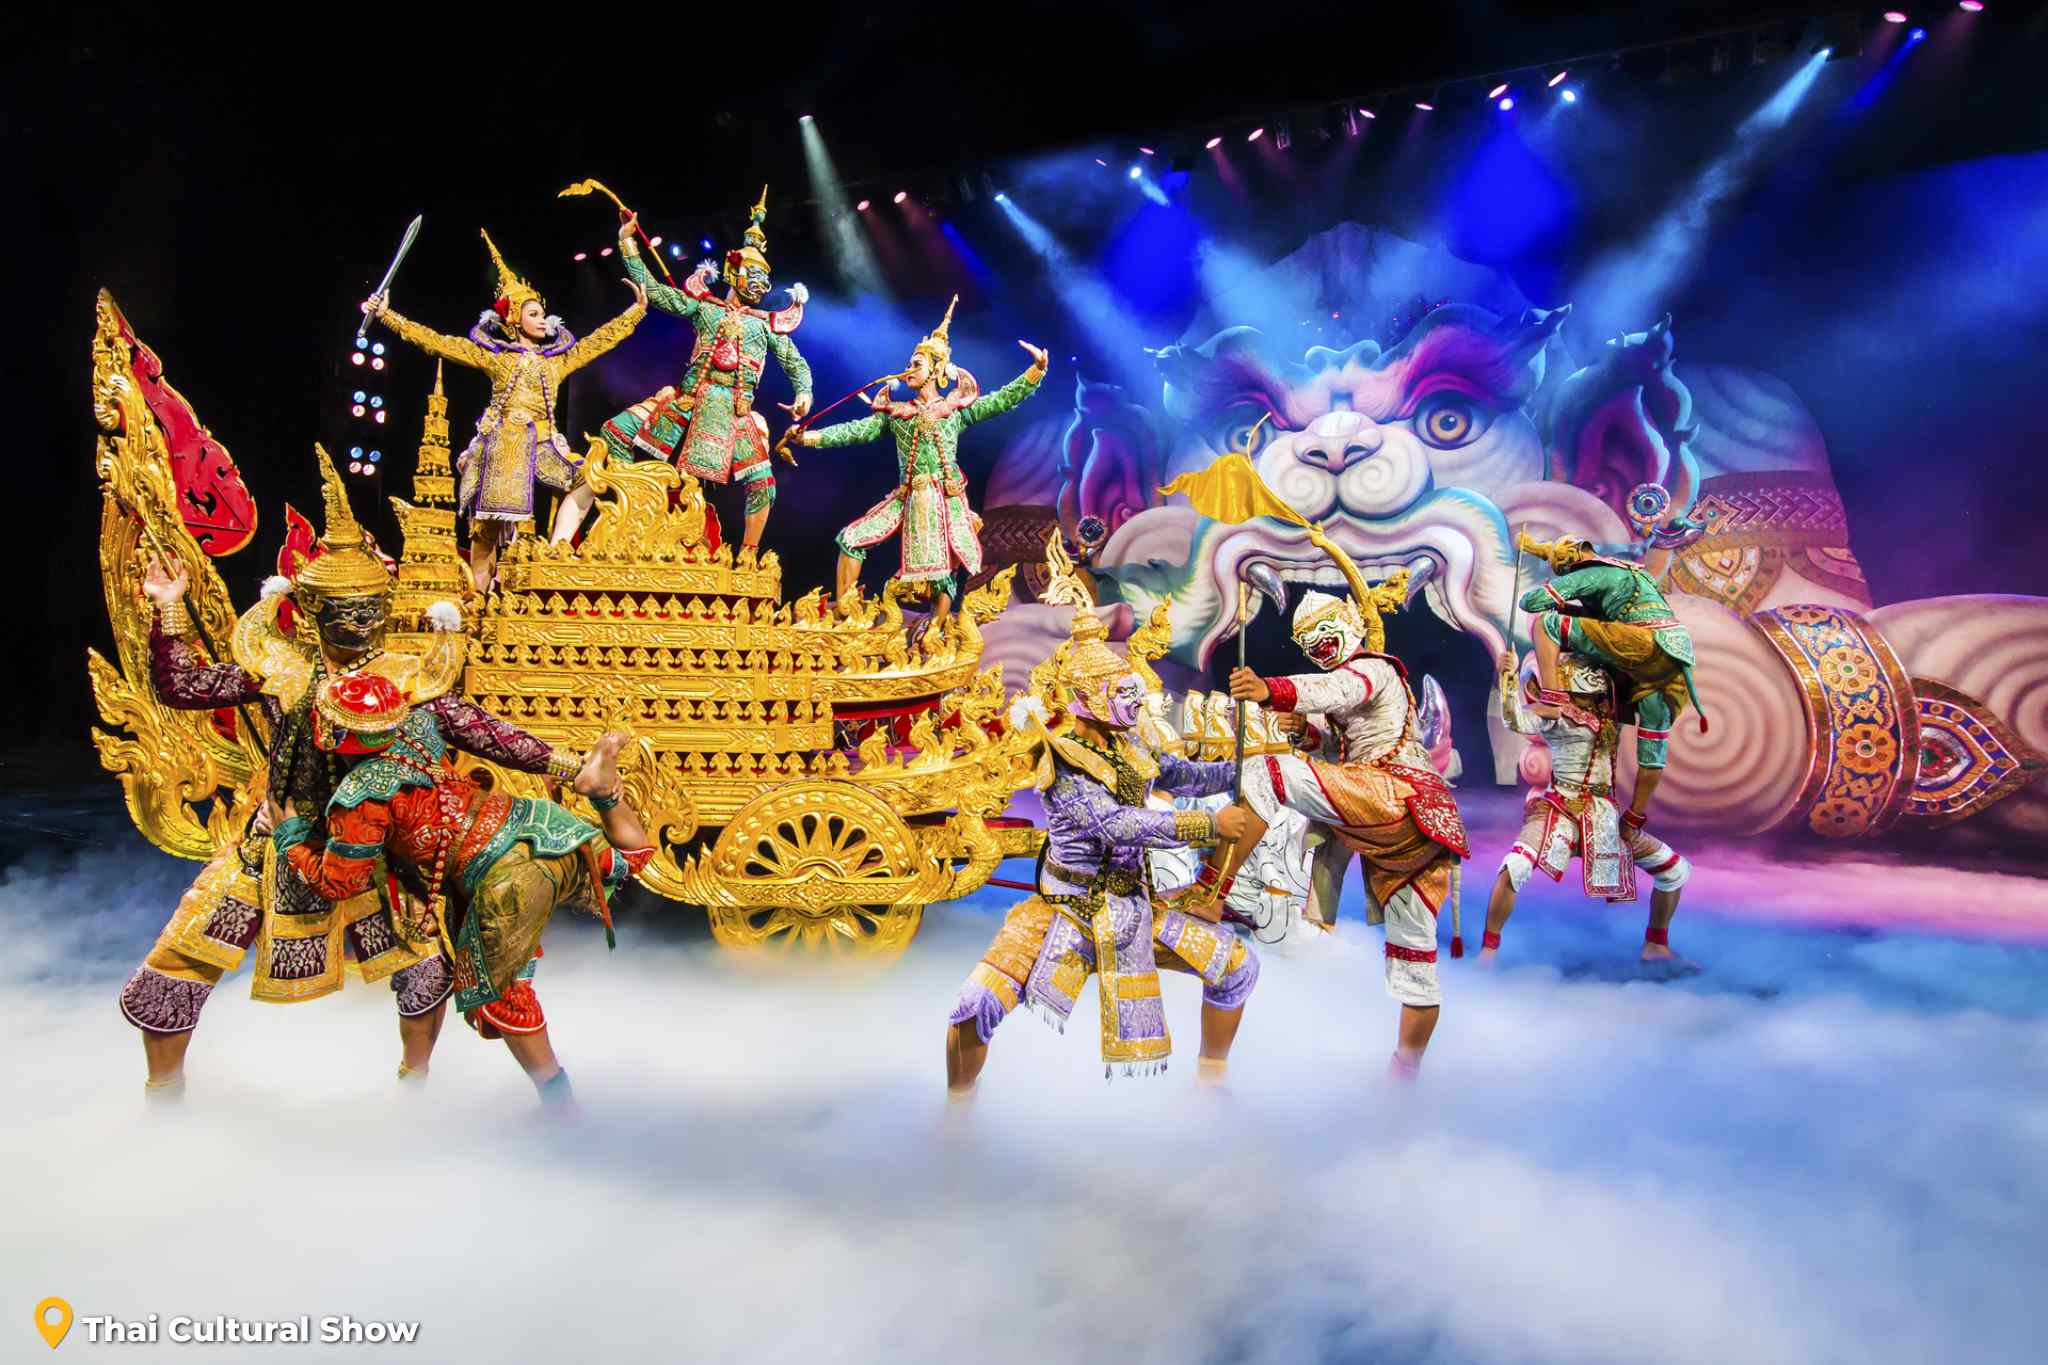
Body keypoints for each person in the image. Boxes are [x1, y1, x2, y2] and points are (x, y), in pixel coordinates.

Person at [120, 448, 595, 1102]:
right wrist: (170, 608)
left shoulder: (404, 675)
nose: (359, 624)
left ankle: (427, 1091)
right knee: (175, 965)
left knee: (436, 972)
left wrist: (570, 765)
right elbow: (184, 686)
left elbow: (480, 729)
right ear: (309, 609)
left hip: (383, 852)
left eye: (369, 609)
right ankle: (163, 1099)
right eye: (344, 611)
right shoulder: (281, 669)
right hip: (277, 841)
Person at [945, 556, 1258, 1094]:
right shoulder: (1064, 761)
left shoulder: (1129, 743)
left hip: (1133, 908)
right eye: (1121, 690)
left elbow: (1179, 773)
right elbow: (1116, 824)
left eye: (1129, 686)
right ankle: (956, 1108)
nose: (1134, 697)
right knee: (974, 1007)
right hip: (1065, 911)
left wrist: (1246, 767)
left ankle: (1212, 1084)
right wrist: (1209, 825)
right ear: (1086, 699)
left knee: (1238, 967)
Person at [271, 672, 652, 1108]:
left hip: (504, 874)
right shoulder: (420, 723)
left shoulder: (361, 797)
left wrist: (291, 838)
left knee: (501, 996)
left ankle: (559, 1104)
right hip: (534, 822)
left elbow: (340, 882)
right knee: (629, 861)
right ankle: (603, 794)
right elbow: (495, 738)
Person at [1214, 588, 1469, 1081]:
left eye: (1323, 630)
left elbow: (1338, 691)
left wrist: (1269, 689)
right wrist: (1306, 732)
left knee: (1267, 772)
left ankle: (1215, 889)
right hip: (1421, 827)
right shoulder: (1357, 688)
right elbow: (1341, 744)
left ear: (1351, 624)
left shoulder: (1375, 669)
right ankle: (1404, 1076)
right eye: (1306, 639)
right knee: (1415, 963)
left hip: (1393, 795)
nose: (1317, 642)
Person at [363, 229, 647, 593]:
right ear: (514, 319)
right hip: (504, 447)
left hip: (544, 444)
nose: (544, 320)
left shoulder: (557, 361)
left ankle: (557, 551)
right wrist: (388, 315)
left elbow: (597, 342)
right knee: (487, 532)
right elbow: (437, 342)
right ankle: (478, 600)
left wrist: (635, 313)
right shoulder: (497, 358)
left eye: (544, 313)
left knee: (588, 479)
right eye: (534, 314)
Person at [796, 298, 1048, 625]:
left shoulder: (954, 412)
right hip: (907, 496)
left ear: (937, 371)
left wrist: (1034, 372)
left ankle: (935, 629)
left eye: (916, 364)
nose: (909, 369)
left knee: (944, 567)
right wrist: (809, 437)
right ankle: (846, 612)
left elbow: (1001, 400)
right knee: (850, 539)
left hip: (944, 499)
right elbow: (854, 430)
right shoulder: (899, 415)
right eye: (909, 363)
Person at [602, 192, 813, 557]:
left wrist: (804, 392)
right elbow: (655, 292)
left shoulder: (765, 325)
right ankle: (633, 516)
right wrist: (628, 244)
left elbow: (796, 363)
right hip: (690, 404)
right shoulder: (705, 309)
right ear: (734, 271)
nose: (761, 285)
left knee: (763, 484)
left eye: (765, 279)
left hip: (735, 413)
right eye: (755, 276)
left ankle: (748, 556)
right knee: (616, 433)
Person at [1481, 650, 1694, 965]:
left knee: (1674, 869)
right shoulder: (1554, 710)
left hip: (1604, 818)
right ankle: (1488, 952)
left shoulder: (1612, 711)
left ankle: (1656, 945)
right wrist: (1508, 679)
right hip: (1559, 809)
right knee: (1515, 866)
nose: (1595, 693)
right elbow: (1516, 719)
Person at [1516, 532, 1704, 828]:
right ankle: (1633, 820)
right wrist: (1573, 607)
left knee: (1547, 624)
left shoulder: (1592, 572)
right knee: (1653, 744)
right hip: (1675, 652)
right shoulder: (1631, 573)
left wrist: (1554, 589)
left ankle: (1552, 700)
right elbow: (1612, 615)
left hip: (1643, 642)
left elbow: (1532, 602)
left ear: (1571, 558)